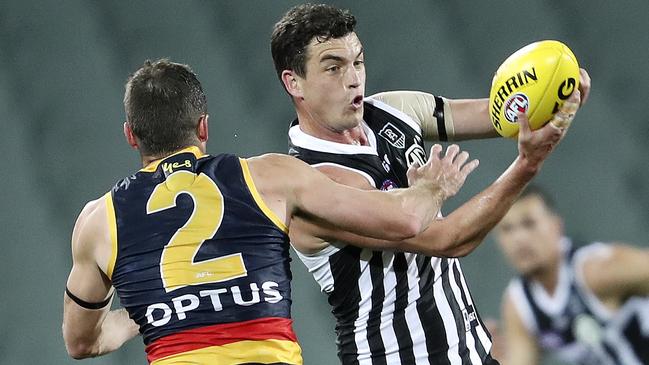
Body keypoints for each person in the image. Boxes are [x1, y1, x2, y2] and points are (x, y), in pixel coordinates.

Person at [61, 59, 480, 364]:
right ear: (203, 127)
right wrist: (432, 189)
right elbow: (405, 220)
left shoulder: (98, 220)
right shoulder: (269, 177)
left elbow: (82, 342)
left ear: (130, 136)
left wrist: (153, 308)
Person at [270, 3, 590, 364]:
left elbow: (500, 115)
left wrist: (556, 94)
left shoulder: (395, 110)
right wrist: (526, 165)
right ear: (293, 82)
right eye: (333, 68)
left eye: (358, 62)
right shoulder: (315, 182)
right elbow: (448, 239)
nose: (353, 78)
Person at [495, 185, 649, 365]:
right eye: (506, 229)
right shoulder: (519, 304)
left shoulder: (597, 271)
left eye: (529, 223)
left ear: (556, 226)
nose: (518, 239)